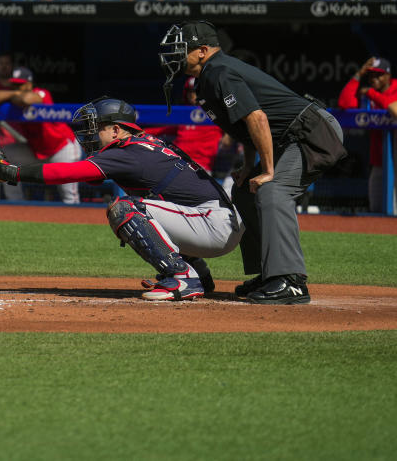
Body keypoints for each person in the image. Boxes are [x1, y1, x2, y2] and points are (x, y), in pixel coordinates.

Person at [0, 97, 244, 301]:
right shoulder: (142, 144)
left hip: (211, 224)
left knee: (125, 209)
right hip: (215, 220)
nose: (89, 134)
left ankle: (182, 277)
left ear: (116, 130)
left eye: (97, 127)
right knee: (147, 208)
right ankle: (200, 276)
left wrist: (11, 172)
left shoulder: (126, 151)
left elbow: (68, 172)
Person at [159, 21, 346, 304]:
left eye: (181, 50)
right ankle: (270, 273)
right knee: (245, 190)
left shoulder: (219, 71)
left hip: (310, 130)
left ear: (202, 51)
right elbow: (244, 128)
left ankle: (290, 281)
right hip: (288, 137)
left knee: (273, 190)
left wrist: (269, 170)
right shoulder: (206, 78)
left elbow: (257, 118)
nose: (174, 56)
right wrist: (249, 167)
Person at [0, 66, 82, 204]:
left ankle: (75, 220)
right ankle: (16, 206)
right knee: (4, 156)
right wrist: (13, 94)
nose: (17, 88)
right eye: (14, 85)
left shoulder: (41, 93)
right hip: (36, 150)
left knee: (69, 195)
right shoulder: (13, 96)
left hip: (62, 147)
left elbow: (27, 99)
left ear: (29, 84)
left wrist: (13, 96)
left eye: (20, 85)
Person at [337, 57, 397, 213]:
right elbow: (344, 103)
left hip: (395, 162)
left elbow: (391, 105)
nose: (374, 79)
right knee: (376, 211)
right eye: (371, 75)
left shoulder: (393, 88)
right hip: (379, 162)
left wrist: (370, 92)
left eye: (379, 75)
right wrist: (359, 74)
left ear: (388, 76)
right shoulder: (369, 95)